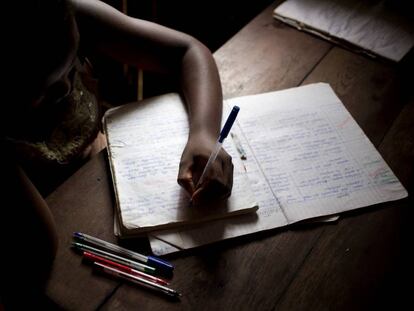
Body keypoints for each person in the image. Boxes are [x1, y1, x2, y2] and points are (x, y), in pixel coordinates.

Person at [0, 0, 233, 308]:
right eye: (47, 90)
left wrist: (203, 133)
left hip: (105, 184)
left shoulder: (71, 12)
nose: (68, 88)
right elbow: (38, 246)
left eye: (73, 67)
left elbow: (187, 51)